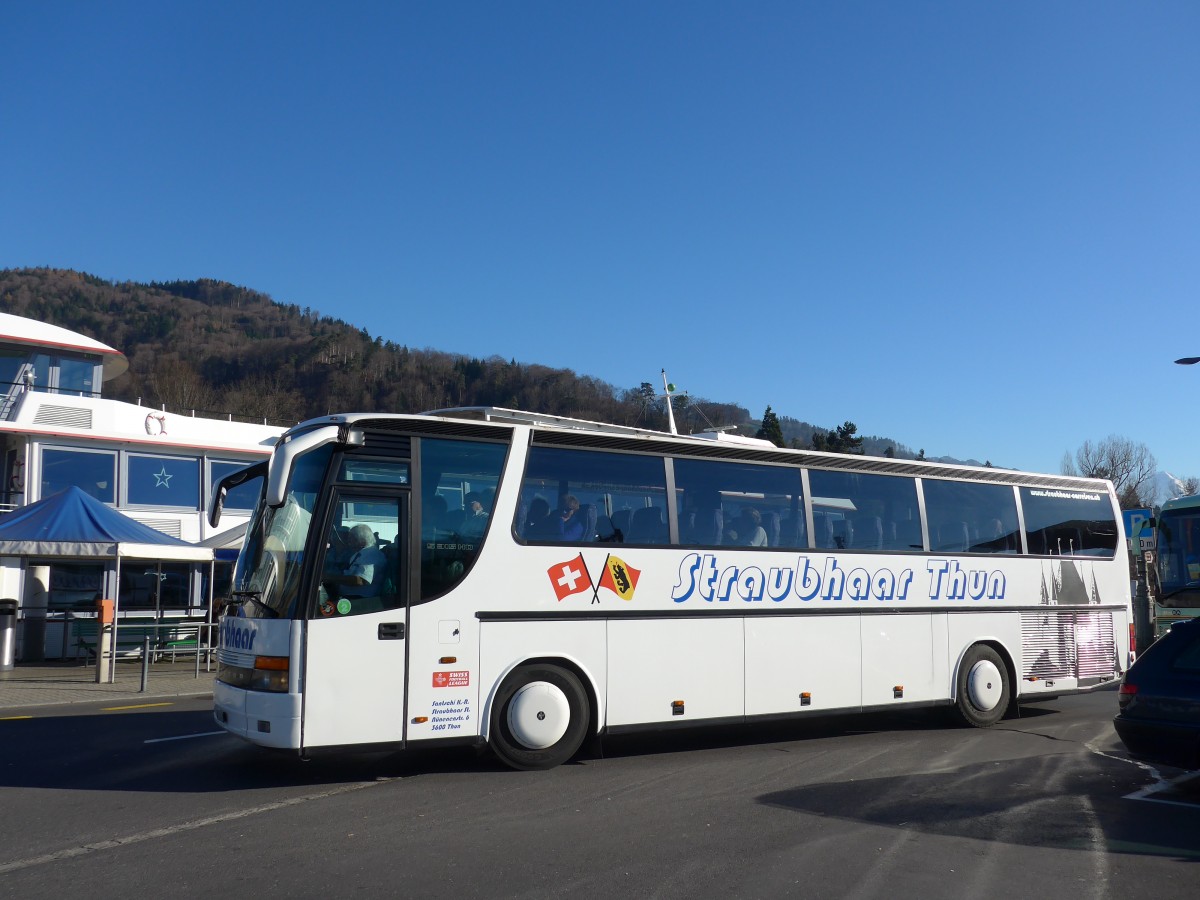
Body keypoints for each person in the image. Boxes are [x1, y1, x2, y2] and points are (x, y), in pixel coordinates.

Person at [325, 524, 386, 599]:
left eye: (351, 537)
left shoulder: (371, 554)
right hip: (348, 598)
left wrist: (329, 578)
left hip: (361, 601)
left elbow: (360, 580)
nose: (348, 541)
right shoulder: (360, 553)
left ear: (361, 539)